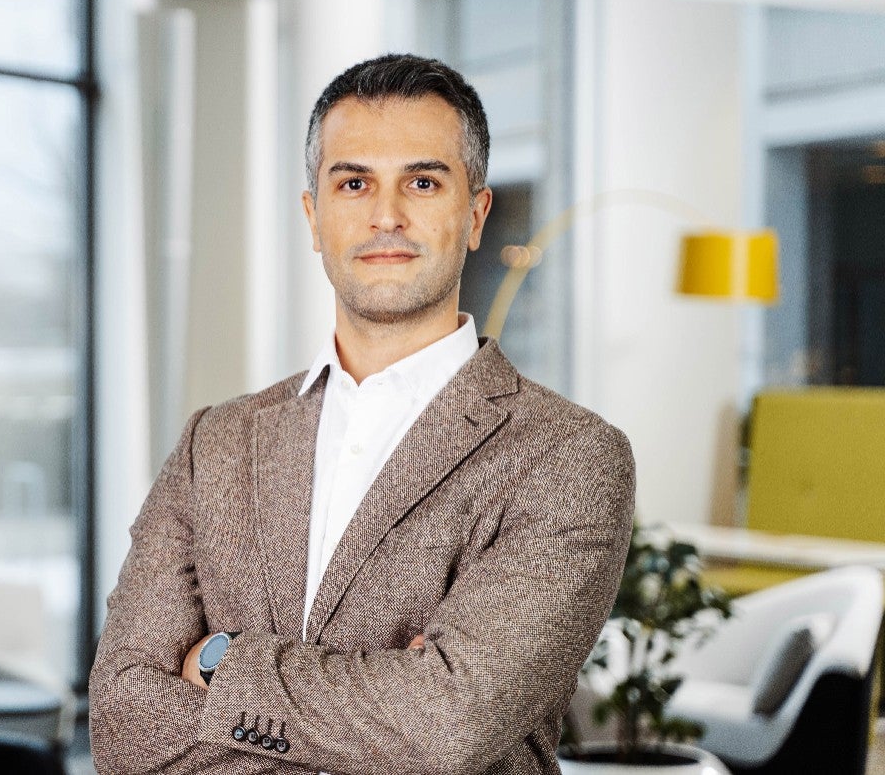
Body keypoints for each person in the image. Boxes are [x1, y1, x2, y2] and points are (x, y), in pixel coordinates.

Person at [90, 53, 635, 775]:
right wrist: (382, 706)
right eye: (354, 183)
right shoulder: (214, 443)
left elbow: (447, 726)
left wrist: (219, 659)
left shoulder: (568, 455)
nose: (386, 215)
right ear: (313, 217)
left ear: (475, 215)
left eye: (422, 182)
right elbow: (121, 723)